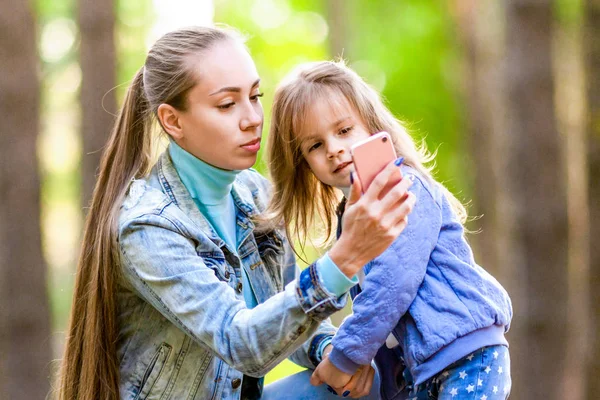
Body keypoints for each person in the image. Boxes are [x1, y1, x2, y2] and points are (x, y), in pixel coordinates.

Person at [57, 26, 416, 400]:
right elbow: (241, 342)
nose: (252, 118)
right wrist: (347, 256)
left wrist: (328, 350)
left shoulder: (254, 194)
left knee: (376, 378)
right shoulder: (148, 226)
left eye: (255, 96)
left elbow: (285, 315)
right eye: (227, 105)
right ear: (172, 121)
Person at [266, 60, 513, 400]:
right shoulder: (351, 218)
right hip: (425, 367)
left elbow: (393, 283)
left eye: (343, 131)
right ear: (304, 163)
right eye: (315, 145)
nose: (334, 149)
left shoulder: (403, 190)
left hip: (467, 355)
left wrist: (346, 356)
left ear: (372, 125)